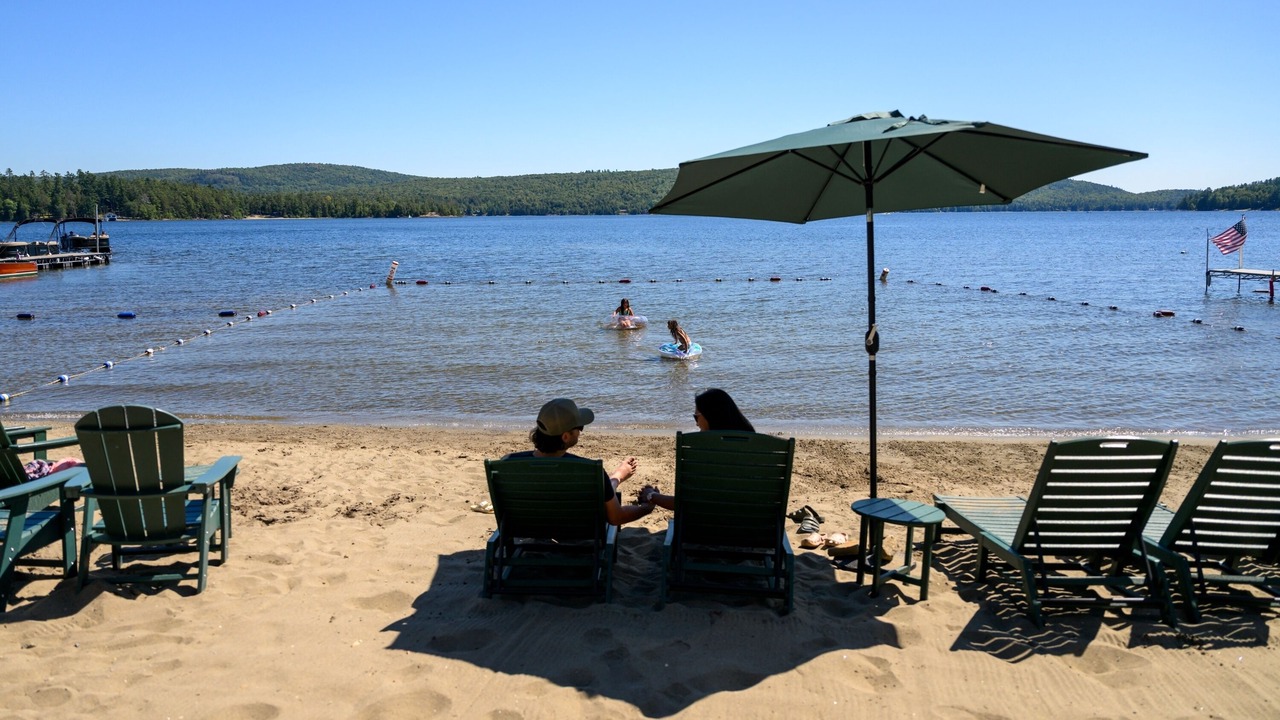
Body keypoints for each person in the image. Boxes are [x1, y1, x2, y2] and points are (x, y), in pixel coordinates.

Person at [502, 398, 655, 526]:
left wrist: (616, 478)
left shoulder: (507, 465)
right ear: (566, 437)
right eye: (579, 427)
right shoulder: (588, 471)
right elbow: (616, 517)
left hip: (529, 529)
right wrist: (648, 507)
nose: (581, 431)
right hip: (576, 533)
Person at [639, 388, 754, 511]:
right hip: (756, 528)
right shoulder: (759, 449)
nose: (696, 424)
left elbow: (686, 503)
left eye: (696, 417)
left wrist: (651, 495)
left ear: (711, 416)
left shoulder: (701, 454)